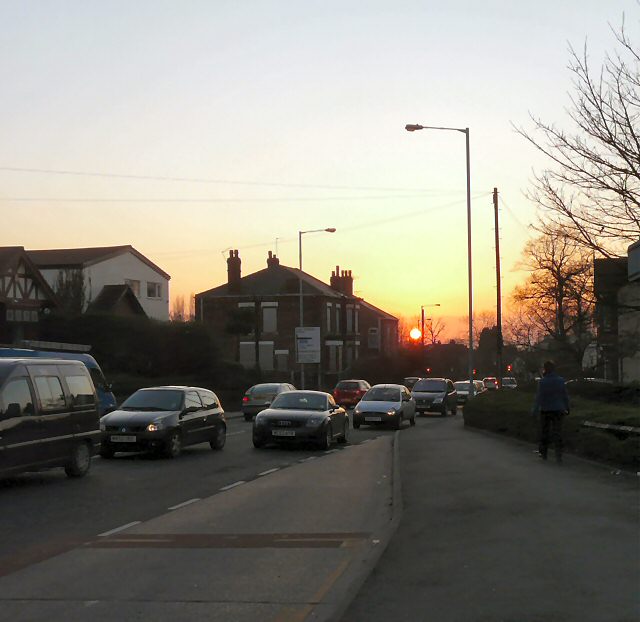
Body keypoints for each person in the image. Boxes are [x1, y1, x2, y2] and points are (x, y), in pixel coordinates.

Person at [532, 360, 570, 463]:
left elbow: (539, 398)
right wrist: (567, 407)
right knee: (557, 432)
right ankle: (559, 454)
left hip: (545, 410)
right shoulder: (560, 381)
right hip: (559, 409)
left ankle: (544, 453)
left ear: (545, 369)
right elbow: (565, 396)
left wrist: (534, 410)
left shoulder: (543, 382)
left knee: (545, 432)